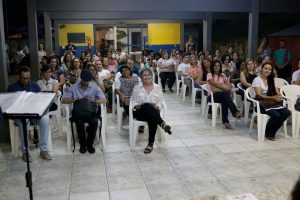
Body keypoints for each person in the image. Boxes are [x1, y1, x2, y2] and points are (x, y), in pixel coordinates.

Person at [7, 66, 52, 162]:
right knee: (24, 121)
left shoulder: (35, 86)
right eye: (24, 78)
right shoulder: (12, 88)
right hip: (19, 115)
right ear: (19, 77)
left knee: (45, 119)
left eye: (28, 78)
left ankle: (43, 150)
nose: (26, 80)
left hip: (34, 113)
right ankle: (25, 152)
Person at [61, 69, 106, 154]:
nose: (85, 83)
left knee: (94, 121)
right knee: (79, 122)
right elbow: (63, 100)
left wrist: (94, 101)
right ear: (81, 79)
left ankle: (90, 144)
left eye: (87, 81)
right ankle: (83, 144)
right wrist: (74, 100)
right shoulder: (74, 87)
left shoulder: (94, 86)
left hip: (90, 112)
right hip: (78, 112)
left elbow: (104, 99)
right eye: (84, 81)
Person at [131, 68, 172, 154]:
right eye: (144, 75)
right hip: (140, 112)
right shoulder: (137, 88)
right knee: (146, 105)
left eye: (148, 75)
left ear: (152, 76)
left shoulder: (157, 87)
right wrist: (138, 105)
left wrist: (156, 106)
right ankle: (162, 124)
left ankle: (150, 144)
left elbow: (161, 102)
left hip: (154, 112)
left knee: (152, 116)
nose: (147, 77)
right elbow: (133, 102)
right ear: (141, 77)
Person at [252, 62, 291, 141]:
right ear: (262, 69)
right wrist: (273, 97)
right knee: (276, 115)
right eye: (265, 68)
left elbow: (277, 92)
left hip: (272, 103)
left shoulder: (271, 79)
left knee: (286, 112)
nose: (267, 70)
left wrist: (279, 96)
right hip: (261, 104)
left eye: (269, 69)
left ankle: (270, 132)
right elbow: (259, 95)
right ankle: (269, 133)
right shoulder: (257, 80)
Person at [207, 60, 242, 129]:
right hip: (212, 96)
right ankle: (235, 112)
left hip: (222, 95)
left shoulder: (222, 75)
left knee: (224, 98)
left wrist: (222, 86)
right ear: (212, 66)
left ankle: (226, 122)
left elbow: (230, 85)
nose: (217, 67)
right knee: (224, 94)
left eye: (218, 66)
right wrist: (223, 86)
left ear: (220, 67)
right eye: (215, 65)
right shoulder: (209, 74)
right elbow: (213, 88)